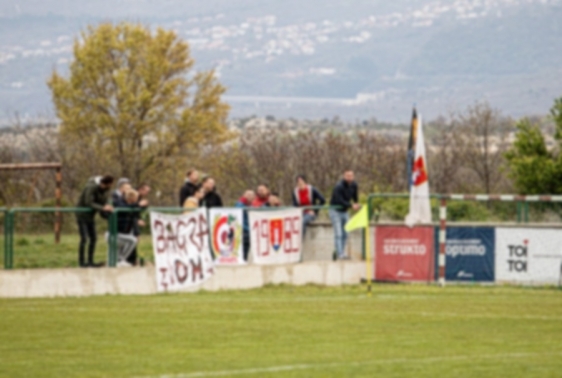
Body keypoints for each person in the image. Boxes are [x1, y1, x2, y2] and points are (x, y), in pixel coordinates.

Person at [76, 175, 114, 267]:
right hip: (82, 215)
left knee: (94, 238)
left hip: (91, 216)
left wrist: (107, 208)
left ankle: (90, 261)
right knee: (84, 238)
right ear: (103, 183)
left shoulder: (105, 191)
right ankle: (82, 262)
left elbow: (103, 202)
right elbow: (88, 202)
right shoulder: (91, 187)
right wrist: (103, 207)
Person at [329, 170, 360, 260]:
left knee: (346, 233)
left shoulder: (354, 185)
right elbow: (339, 200)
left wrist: (356, 203)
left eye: (351, 176)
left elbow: (355, 196)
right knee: (338, 233)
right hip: (335, 211)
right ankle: (340, 253)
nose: (349, 178)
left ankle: (341, 251)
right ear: (344, 176)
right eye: (347, 176)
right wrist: (351, 205)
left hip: (345, 211)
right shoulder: (339, 186)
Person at [111, 189, 140, 267]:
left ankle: (119, 260)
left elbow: (135, 215)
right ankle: (120, 259)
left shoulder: (131, 206)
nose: (137, 200)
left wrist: (137, 232)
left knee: (129, 241)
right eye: (136, 198)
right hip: (115, 232)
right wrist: (138, 204)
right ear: (132, 198)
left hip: (123, 232)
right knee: (132, 240)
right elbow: (123, 206)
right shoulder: (120, 203)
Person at [126, 183, 151, 266]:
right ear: (141, 190)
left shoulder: (140, 198)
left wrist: (144, 207)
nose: (147, 194)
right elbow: (131, 209)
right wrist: (137, 220)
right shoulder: (134, 196)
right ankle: (130, 259)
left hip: (134, 221)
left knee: (135, 239)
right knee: (133, 239)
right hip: (131, 222)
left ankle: (133, 259)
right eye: (146, 191)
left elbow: (138, 210)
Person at [235, 190, 256, 261]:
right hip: (242, 229)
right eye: (248, 195)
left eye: (251, 195)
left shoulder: (253, 205)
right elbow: (238, 208)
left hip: (251, 229)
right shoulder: (240, 203)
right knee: (243, 248)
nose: (249, 196)